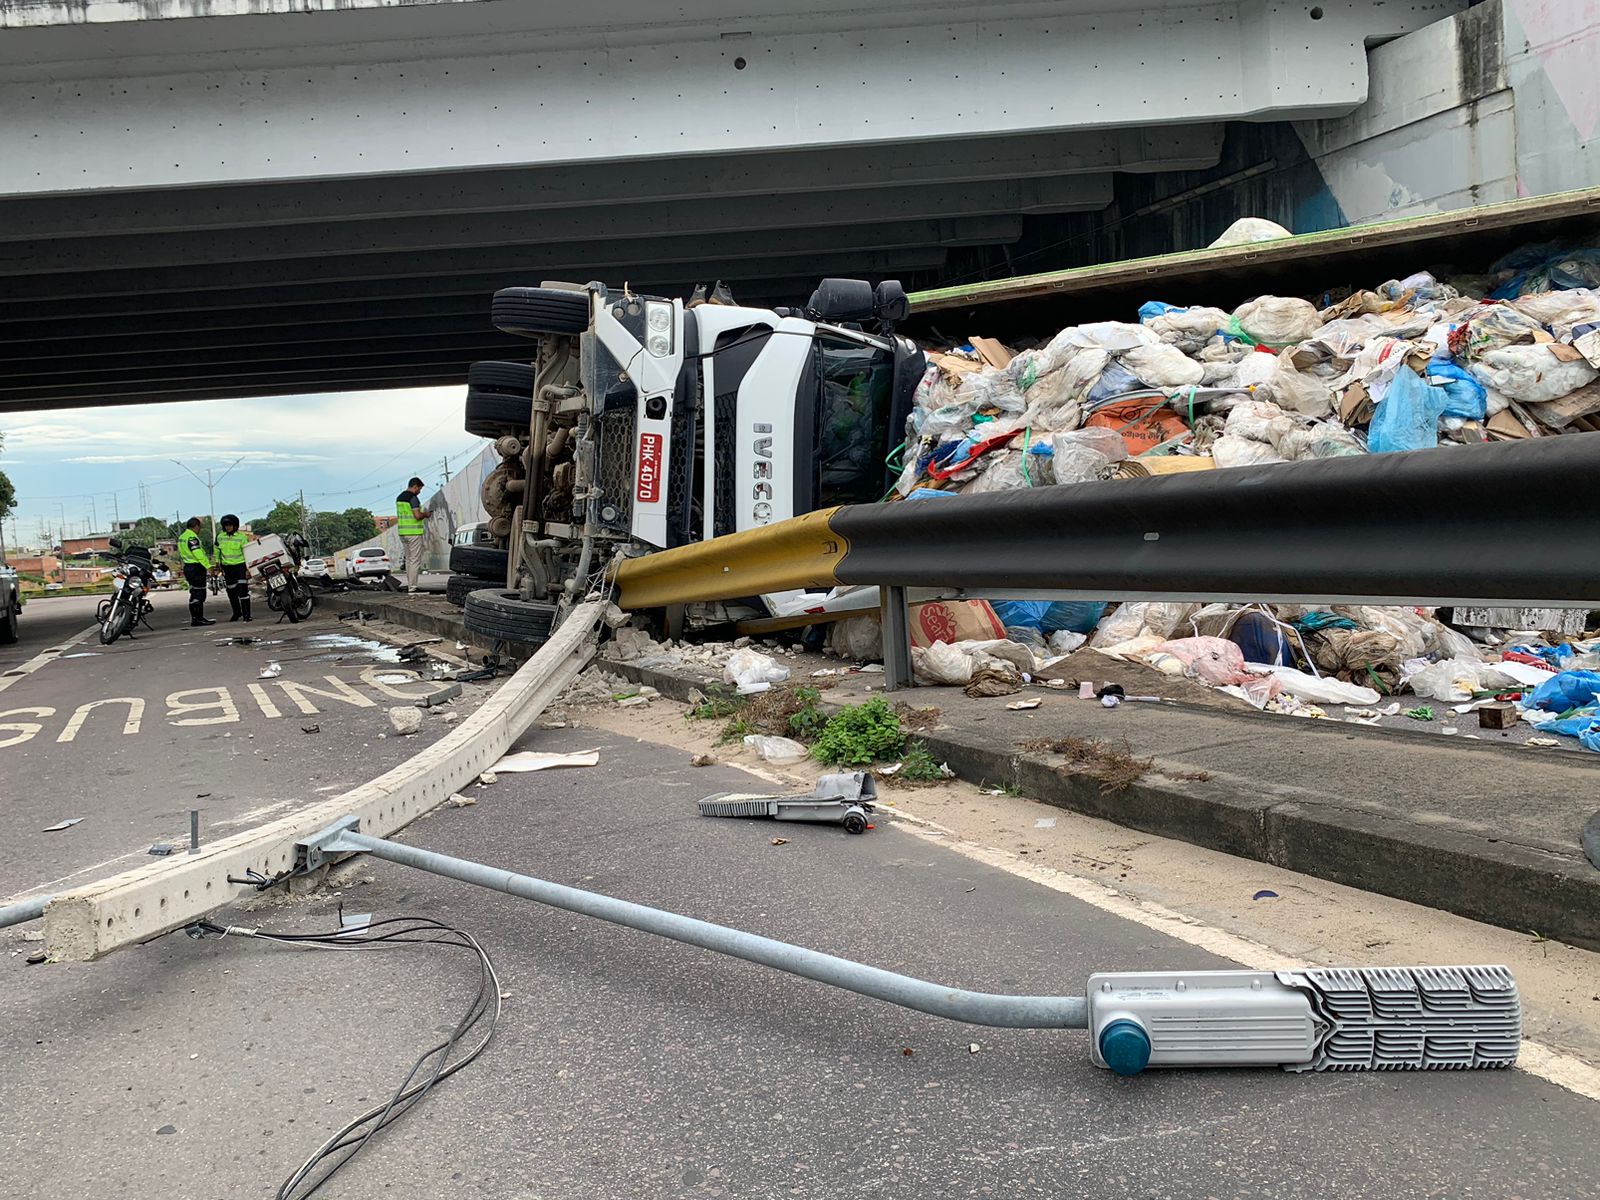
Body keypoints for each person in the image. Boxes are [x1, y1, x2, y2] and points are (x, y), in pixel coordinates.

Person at [177, 516, 215, 626]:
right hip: (196, 567)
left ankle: (195, 618)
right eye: (200, 528)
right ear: (196, 527)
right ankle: (198, 619)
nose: (200, 530)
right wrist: (208, 566)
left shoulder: (182, 537)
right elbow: (198, 554)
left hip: (188, 567)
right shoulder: (192, 538)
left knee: (194, 592)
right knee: (199, 593)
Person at [214, 514, 252, 623]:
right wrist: (217, 563)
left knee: (243, 590)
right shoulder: (220, 536)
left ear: (235, 526)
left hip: (240, 566)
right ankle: (237, 612)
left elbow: (247, 552)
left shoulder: (241, 537)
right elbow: (217, 550)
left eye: (230, 525)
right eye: (226, 525)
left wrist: (247, 568)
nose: (228, 527)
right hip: (227, 567)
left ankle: (247, 615)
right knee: (231, 591)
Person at [395, 476, 428, 592]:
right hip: (414, 533)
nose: (419, 492)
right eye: (419, 489)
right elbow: (417, 516)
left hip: (403, 533)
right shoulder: (413, 498)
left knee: (409, 560)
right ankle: (413, 588)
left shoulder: (399, 498)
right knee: (414, 560)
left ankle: (410, 585)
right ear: (415, 486)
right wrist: (426, 514)